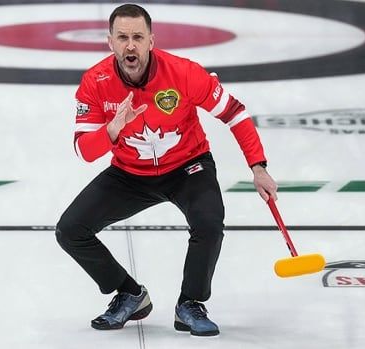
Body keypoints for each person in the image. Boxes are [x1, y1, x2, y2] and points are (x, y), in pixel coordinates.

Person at [55, 3, 278, 337]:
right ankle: (130, 294)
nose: (130, 45)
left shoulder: (184, 73)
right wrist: (112, 130)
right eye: (122, 37)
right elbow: (83, 150)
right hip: (129, 173)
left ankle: (190, 303)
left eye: (137, 37)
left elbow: (235, 113)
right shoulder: (95, 81)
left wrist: (258, 167)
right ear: (110, 42)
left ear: (151, 41)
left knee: (209, 223)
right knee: (70, 230)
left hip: (188, 166)